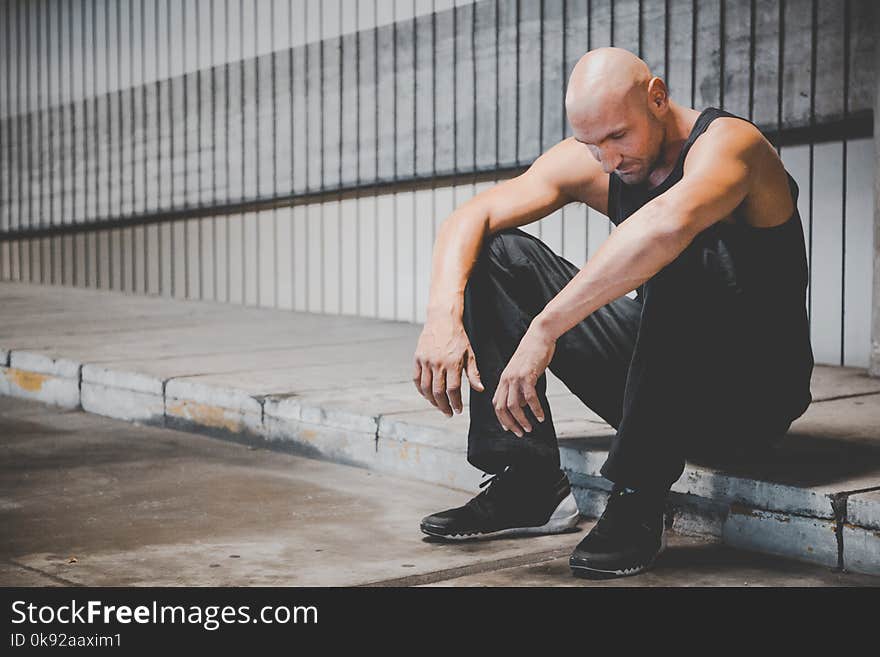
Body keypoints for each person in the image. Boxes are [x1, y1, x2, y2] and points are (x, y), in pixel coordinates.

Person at [411, 47, 814, 579]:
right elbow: (475, 212)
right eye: (590, 144)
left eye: (618, 137)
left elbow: (666, 225)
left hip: (749, 400)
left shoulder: (733, 146)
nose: (607, 160)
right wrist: (443, 314)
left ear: (658, 97)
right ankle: (528, 482)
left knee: (674, 253)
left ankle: (638, 494)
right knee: (497, 252)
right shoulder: (604, 154)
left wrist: (545, 328)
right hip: (666, 387)